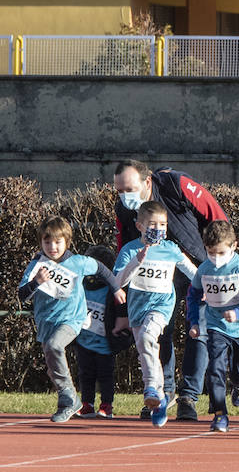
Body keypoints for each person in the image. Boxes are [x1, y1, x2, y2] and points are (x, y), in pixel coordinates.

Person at [113, 159, 227, 422]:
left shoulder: (177, 185)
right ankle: (162, 392)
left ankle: (189, 397)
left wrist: (219, 262)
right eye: (119, 190)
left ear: (147, 182)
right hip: (153, 273)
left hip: (193, 264)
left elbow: (214, 213)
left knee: (197, 328)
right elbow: (123, 246)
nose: (124, 196)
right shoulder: (123, 208)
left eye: (129, 189)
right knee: (158, 332)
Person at [17, 217, 120, 422]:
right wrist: (36, 282)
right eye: (47, 242)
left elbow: (100, 268)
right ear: (41, 243)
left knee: (55, 346)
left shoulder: (78, 262)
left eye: (57, 242)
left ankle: (67, 399)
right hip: (47, 321)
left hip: (72, 318)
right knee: (52, 362)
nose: (52, 247)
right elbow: (21, 294)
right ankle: (70, 398)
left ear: (67, 242)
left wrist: (116, 288)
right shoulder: (38, 265)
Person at [113, 200, 199, 427]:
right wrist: (135, 262)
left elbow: (192, 270)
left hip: (162, 304)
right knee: (144, 349)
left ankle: (151, 387)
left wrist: (206, 288)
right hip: (137, 307)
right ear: (140, 226)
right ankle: (159, 399)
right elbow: (118, 282)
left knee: (148, 337)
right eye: (152, 224)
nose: (158, 229)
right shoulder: (130, 250)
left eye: (162, 224)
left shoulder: (170, 249)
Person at [187, 220, 239, 434]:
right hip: (216, 325)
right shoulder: (204, 269)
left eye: (221, 252)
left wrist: (238, 312)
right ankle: (220, 414)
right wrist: (194, 322)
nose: (216, 258)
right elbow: (193, 296)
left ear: (233, 246)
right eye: (211, 252)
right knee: (215, 368)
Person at [74, 245, 132, 418]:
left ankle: (107, 405)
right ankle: (87, 404)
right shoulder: (80, 286)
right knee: (85, 374)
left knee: (105, 375)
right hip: (84, 340)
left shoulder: (112, 290)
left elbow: (122, 309)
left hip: (105, 343)